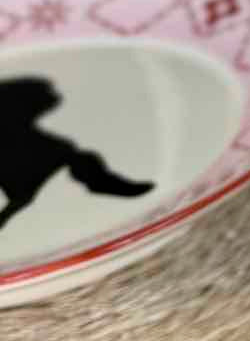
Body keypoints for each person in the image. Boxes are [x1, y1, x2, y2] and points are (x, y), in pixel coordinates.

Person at [0, 76, 153, 232]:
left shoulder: (53, 146)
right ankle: (100, 183)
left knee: (71, 155)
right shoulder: (48, 145)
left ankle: (101, 183)